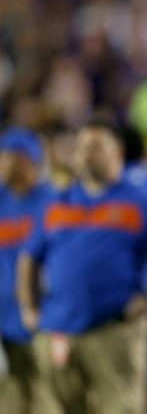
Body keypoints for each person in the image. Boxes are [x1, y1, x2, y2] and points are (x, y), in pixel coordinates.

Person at [16, 119, 147, 414]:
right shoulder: (58, 201)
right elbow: (28, 258)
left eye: (96, 146)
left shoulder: (142, 200)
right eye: (82, 147)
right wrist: (29, 308)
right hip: (58, 328)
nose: (86, 154)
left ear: (117, 151)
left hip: (114, 329)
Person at [0, 128, 54, 414]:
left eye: (12, 157)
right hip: (4, 321)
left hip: (43, 316)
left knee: (49, 399)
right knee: (9, 401)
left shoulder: (53, 201)